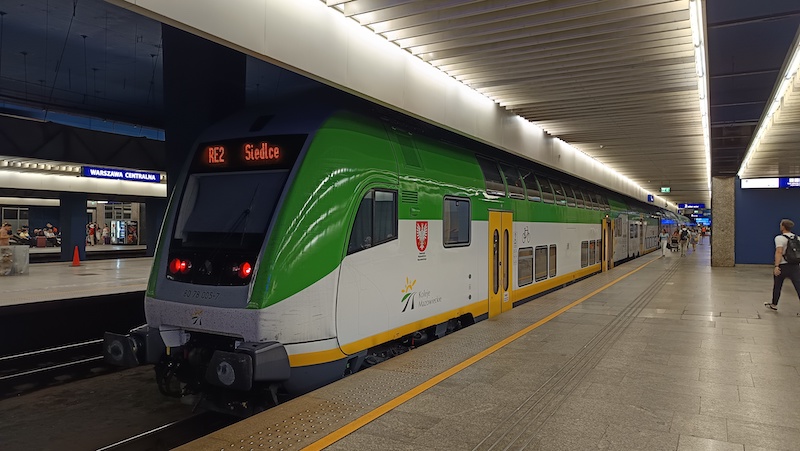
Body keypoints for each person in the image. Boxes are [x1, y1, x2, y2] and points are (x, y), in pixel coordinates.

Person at [765, 219, 800, 311]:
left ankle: (774, 304)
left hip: (783, 266)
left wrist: (776, 266)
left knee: (777, 285)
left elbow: (779, 252)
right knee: (798, 286)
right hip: (795, 266)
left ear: (783, 227)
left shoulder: (779, 238)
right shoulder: (798, 238)